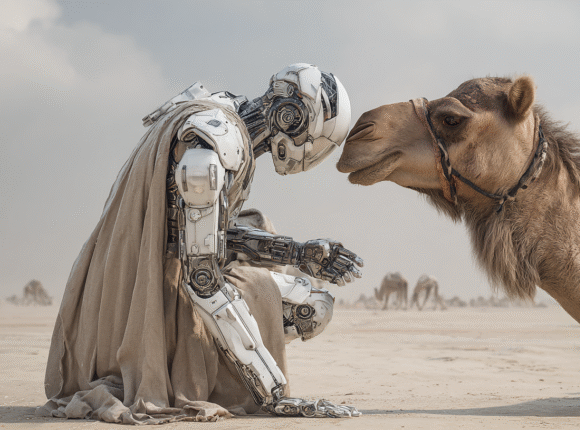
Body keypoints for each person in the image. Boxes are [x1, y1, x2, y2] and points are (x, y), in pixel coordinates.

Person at [38, 64, 363, 423]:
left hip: (116, 293)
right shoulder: (215, 145)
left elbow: (196, 231)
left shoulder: (214, 110)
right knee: (312, 305)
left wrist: (299, 253)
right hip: (151, 300)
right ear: (293, 116)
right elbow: (203, 280)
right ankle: (202, 370)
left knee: (260, 226)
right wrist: (273, 394)